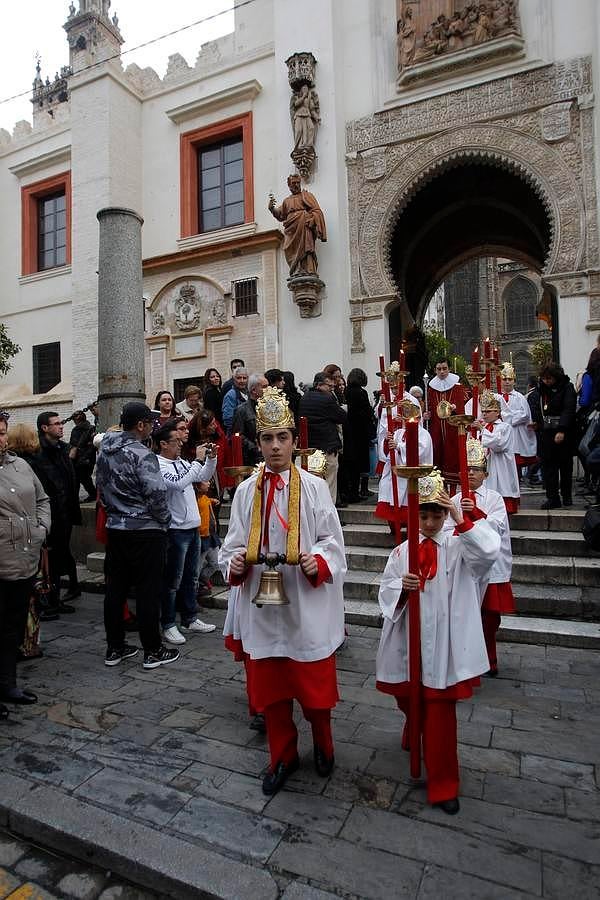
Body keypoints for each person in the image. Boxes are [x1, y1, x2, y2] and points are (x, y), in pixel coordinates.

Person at [219, 387, 346, 796]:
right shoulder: (244, 492)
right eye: (268, 439)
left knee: (314, 690)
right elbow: (232, 544)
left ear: (294, 440)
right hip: (262, 605)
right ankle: (282, 755)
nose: (275, 447)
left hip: (305, 604)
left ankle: (323, 744)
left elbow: (332, 541)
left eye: (282, 438)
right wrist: (234, 563)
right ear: (259, 443)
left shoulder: (313, 488)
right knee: (272, 693)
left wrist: (318, 561)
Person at [376, 469, 500, 814]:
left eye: (437, 514)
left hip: (444, 646)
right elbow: (385, 589)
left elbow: (489, 553)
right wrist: (400, 587)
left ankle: (444, 784)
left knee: (441, 715)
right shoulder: (402, 551)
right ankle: (413, 728)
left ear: (445, 514)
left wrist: (462, 517)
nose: (430, 522)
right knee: (408, 698)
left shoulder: (460, 545)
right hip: (408, 641)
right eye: (424, 514)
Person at [96, 402, 179, 670]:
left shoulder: (104, 451)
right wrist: (164, 520)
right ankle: (152, 649)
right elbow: (156, 493)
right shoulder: (142, 454)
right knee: (147, 590)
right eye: (151, 423)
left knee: (115, 589)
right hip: (144, 530)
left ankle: (115, 646)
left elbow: (100, 485)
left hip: (116, 527)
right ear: (140, 425)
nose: (154, 427)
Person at [447, 438, 514, 677]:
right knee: (465, 613)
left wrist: (472, 512)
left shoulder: (495, 498)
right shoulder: (454, 500)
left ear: (485, 474)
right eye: (468, 470)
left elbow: (496, 528)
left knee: (488, 617)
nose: (472, 474)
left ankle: (490, 658)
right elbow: (446, 531)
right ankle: (465, 658)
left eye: (476, 470)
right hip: (464, 565)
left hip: (491, 566)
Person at [0, 411, 51, 716]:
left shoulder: (20, 464)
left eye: (3, 432)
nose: (1, 439)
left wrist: (41, 528)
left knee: (13, 627)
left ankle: (7, 683)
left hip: (25, 559)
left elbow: (43, 500)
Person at [156, 422, 217, 644]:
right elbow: (179, 483)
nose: (180, 445)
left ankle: (190, 618)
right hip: (175, 530)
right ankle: (169, 623)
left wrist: (211, 458)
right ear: (163, 444)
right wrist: (199, 460)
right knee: (173, 580)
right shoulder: (158, 465)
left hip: (192, 527)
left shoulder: (182, 462)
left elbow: (202, 477)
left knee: (191, 577)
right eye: (176, 441)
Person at [33, 411, 82, 613]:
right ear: (45, 428)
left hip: (65, 514)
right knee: (50, 560)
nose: (61, 426)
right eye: (57, 423)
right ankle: (50, 600)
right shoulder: (39, 453)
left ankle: (57, 596)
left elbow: (69, 480)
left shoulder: (62, 449)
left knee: (60, 555)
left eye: (61, 422)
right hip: (51, 515)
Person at [375, 400, 432, 533]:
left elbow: (420, 451)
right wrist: (388, 442)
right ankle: (394, 528)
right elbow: (388, 454)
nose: (409, 421)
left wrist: (399, 447)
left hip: (413, 475)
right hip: (397, 473)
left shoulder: (424, 434)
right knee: (391, 498)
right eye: (406, 418)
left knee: (409, 503)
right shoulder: (399, 432)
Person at [529, 363, 577, 509]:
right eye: (544, 379)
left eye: (549, 379)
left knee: (565, 466)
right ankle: (552, 497)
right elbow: (535, 405)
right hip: (546, 432)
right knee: (549, 467)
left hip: (564, 432)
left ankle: (567, 495)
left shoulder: (567, 388)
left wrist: (562, 429)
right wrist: (536, 421)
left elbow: (569, 409)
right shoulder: (541, 389)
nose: (546, 381)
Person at [298, 372, 347, 504]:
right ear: (319, 385)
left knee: (313, 484)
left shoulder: (304, 398)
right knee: (329, 484)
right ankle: (329, 515)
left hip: (311, 448)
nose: (332, 389)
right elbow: (342, 417)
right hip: (328, 447)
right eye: (329, 386)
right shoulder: (327, 399)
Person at [268, 174, 327, 277]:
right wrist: (272, 209)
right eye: (293, 183)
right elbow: (281, 215)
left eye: (297, 183)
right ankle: (296, 270)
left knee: (307, 248)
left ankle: (309, 270)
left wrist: (313, 219)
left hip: (304, 226)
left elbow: (317, 211)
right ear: (289, 186)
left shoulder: (306, 196)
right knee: (288, 248)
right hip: (291, 229)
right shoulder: (287, 201)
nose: (296, 185)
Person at [473, 393, 520, 514]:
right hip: (488, 462)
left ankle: (506, 505)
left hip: (501, 463)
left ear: (497, 412)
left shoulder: (505, 427)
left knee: (502, 484)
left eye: (488, 411)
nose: (484, 414)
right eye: (483, 411)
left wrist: (482, 431)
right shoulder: (484, 427)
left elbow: (499, 444)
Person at [426, 359, 468, 487]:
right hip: (436, 428)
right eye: (439, 369)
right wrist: (426, 414)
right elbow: (429, 408)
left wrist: (456, 408)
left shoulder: (457, 386)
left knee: (453, 456)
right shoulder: (431, 389)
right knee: (437, 454)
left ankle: (454, 489)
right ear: (435, 370)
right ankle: (440, 488)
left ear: (449, 369)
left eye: (444, 368)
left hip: (453, 428)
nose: (442, 371)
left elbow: (463, 407)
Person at [497, 363, 537, 477]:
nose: (507, 382)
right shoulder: (497, 397)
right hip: (502, 434)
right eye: (504, 379)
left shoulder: (520, 397)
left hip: (516, 435)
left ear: (514, 381)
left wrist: (506, 417)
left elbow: (524, 415)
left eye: (510, 379)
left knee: (516, 464)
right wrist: (510, 415)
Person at [344, 368, 377, 503]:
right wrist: (371, 433)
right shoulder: (361, 393)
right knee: (359, 465)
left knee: (351, 465)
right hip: (360, 433)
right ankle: (356, 493)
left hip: (349, 432)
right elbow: (366, 414)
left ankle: (352, 490)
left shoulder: (346, 391)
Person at [186, 409, 232, 500]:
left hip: (215, 477)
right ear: (203, 429)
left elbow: (224, 455)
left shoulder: (217, 436)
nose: (216, 426)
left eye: (215, 422)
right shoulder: (189, 444)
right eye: (211, 424)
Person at [231, 374, 268, 467]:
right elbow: (238, 435)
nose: (269, 389)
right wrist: (255, 448)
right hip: (252, 459)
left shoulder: (269, 407)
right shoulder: (242, 410)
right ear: (254, 390)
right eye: (264, 387)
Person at [68, 410, 97, 502]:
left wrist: (84, 456)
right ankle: (76, 497)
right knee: (77, 478)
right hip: (79, 458)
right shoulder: (75, 430)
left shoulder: (90, 429)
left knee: (84, 478)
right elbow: (72, 443)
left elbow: (92, 446)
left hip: (86, 459)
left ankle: (93, 494)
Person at [222, 367, 249, 434]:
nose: (242, 381)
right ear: (234, 380)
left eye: (244, 378)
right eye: (239, 378)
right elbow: (228, 420)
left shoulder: (249, 393)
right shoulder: (230, 395)